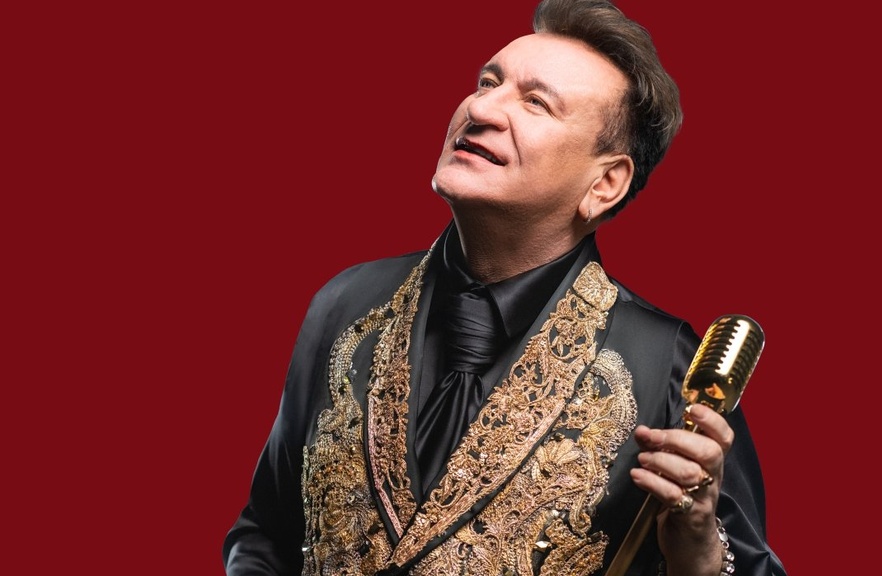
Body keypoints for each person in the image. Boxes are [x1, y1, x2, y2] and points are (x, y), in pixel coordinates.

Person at [223, 0, 786, 574]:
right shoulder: (345, 305)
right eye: (487, 83)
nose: (480, 108)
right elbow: (265, 533)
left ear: (605, 183)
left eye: (536, 102)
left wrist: (700, 554)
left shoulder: (669, 368)